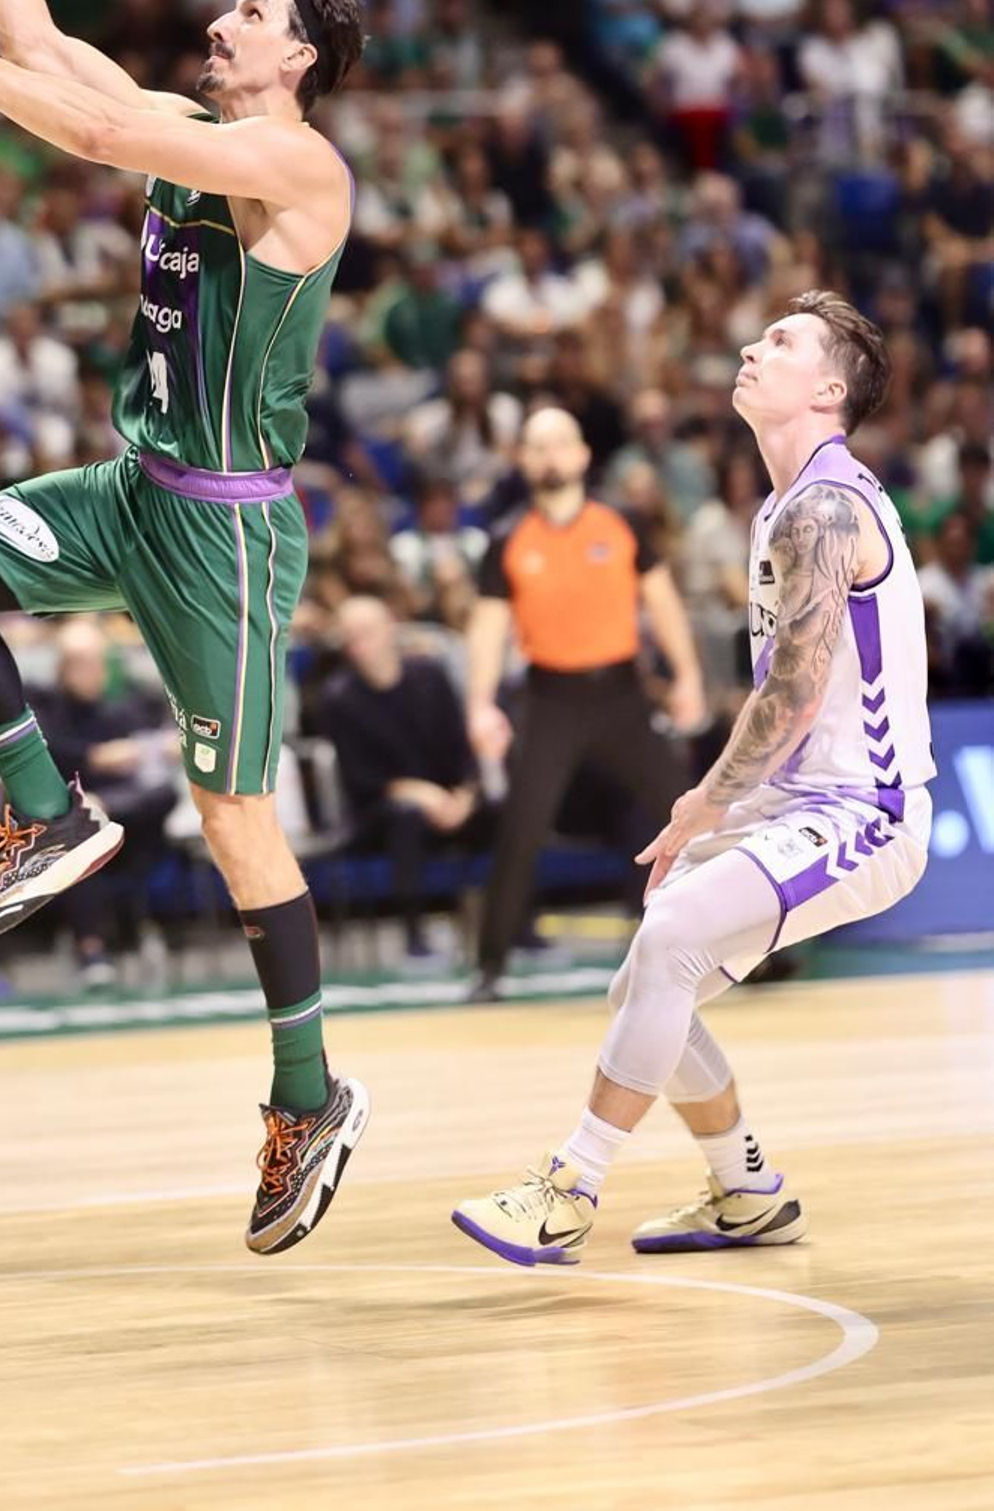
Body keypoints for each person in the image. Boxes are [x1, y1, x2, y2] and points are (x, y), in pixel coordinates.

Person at [0, 0, 371, 1255]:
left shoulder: (295, 164)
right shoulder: (186, 117)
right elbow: (46, 55)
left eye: (254, 15)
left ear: (303, 57)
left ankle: (305, 1095)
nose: (224, 22)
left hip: (224, 530)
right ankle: (50, 807)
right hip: (131, 486)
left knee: (234, 821)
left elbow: (86, 135)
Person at [452, 294, 933, 1264]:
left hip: (865, 808)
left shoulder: (828, 505)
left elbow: (792, 694)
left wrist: (705, 796)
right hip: (796, 798)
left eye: (784, 340)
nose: (754, 344)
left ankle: (568, 1186)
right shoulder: (779, 505)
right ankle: (745, 1189)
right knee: (643, 973)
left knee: (668, 935)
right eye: (758, 333)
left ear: (829, 388)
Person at [464, 406, 708, 1002]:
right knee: (522, 828)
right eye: (536, 446)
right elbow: (488, 629)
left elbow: (663, 602)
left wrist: (688, 676)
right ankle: (490, 965)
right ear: (522, 460)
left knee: (691, 816)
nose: (549, 457)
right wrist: (479, 705)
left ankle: (755, 947)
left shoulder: (620, 522)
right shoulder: (506, 540)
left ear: (581, 455)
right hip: (551, 698)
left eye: (560, 444)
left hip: (623, 694)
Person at [312, 595, 478, 966]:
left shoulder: (430, 676)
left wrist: (465, 795)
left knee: (505, 810)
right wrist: (421, 794)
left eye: (366, 632)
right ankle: (414, 939)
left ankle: (518, 931)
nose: (359, 643)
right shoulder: (340, 698)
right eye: (350, 636)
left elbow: (462, 750)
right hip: (380, 811)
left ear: (390, 628)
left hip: (448, 799)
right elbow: (361, 780)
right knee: (406, 819)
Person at [28, 615, 180, 986]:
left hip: (129, 818)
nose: (91, 673)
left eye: (96, 663)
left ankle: (140, 926)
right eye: (80, 664)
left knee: (161, 794)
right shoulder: (47, 709)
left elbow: (168, 748)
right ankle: (92, 948)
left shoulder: (129, 703)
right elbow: (51, 759)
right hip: (73, 820)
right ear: (62, 668)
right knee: (80, 835)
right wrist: (94, 757)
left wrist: (142, 752)